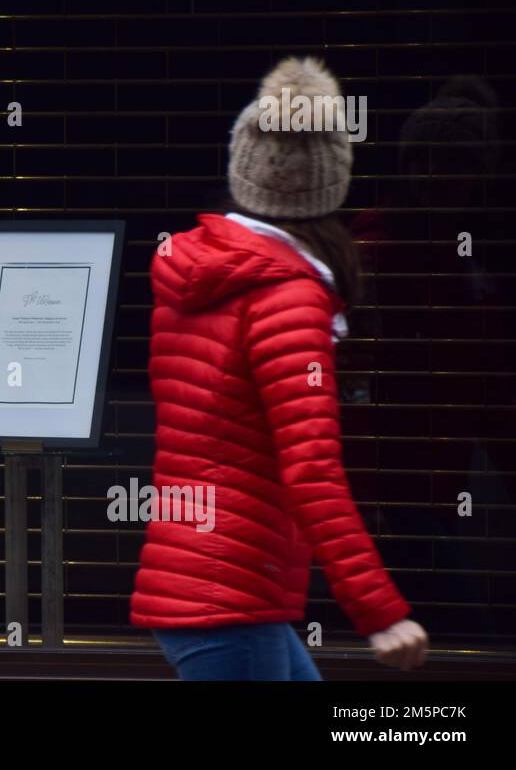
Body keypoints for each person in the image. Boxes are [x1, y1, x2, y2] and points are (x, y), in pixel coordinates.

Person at [130, 56, 429, 680]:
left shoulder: (197, 273)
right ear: (331, 185)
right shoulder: (287, 296)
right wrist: (380, 612)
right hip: (229, 596)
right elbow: (312, 468)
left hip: (210, 583)